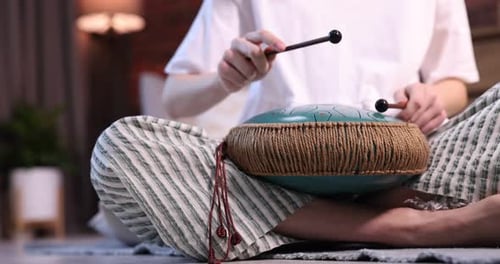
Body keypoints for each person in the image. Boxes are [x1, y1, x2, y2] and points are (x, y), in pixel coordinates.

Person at [90, 0, 500, 262]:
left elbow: (454, 85)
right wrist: (225, 78)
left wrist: (431, 98)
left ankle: (328, 219)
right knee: (120, 149)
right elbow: (177, 99)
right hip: (262, 179)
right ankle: (410, 226)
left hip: (405, 166)